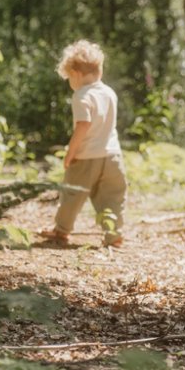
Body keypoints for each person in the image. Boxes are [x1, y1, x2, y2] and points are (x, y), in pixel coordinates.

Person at [38, 40, 127, 247]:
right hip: (113, 155)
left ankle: (61, 230)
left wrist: (70, 153)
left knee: (72, 194)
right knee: (112, 197)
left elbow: (83, 125)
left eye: (69, 77)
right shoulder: (109, 93)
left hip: (87, 157)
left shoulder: (81, 96)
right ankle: (114, 234)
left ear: (76, 74)